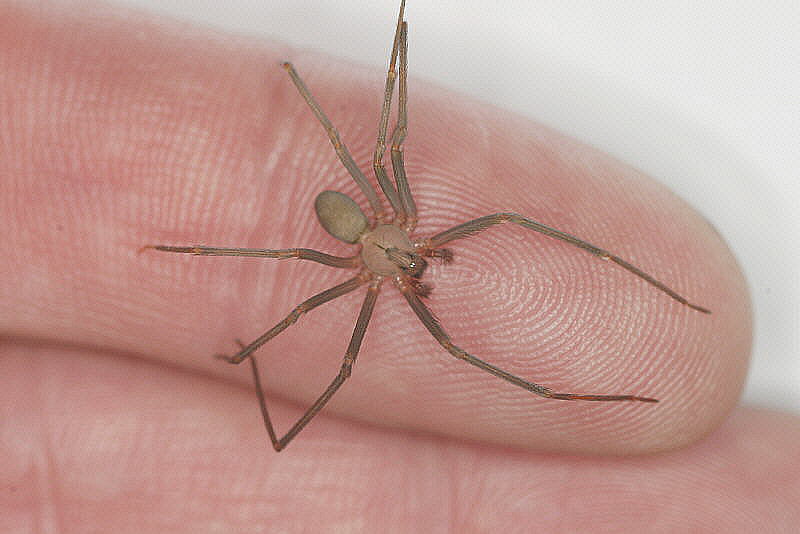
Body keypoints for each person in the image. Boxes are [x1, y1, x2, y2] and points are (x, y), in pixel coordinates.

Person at [1, 2, 797, 531]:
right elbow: (360, 162)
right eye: (406, 261)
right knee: (349, 308)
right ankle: (239, 346)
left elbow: (392, 145)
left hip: (356, 223)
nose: (411, 260)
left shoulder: (403, 235)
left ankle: (623, 331)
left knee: (465, 198)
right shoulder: (364, 262)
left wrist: (387, 51)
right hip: (339, 222)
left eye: (409, 261)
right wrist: (306, 90)